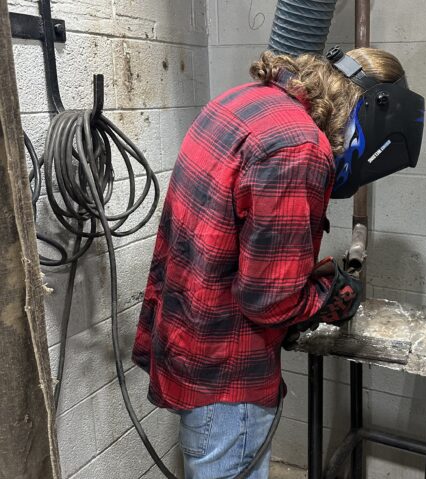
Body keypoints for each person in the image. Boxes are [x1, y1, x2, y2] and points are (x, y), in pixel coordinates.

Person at [132, 47, 409, 479]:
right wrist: (333, 296)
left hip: (188, 339)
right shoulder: (299, 147)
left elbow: (230, 234)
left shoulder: (241, 100)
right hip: (229, 376)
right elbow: (269, 300)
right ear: (370, 112)